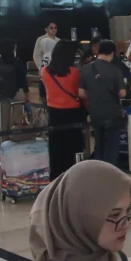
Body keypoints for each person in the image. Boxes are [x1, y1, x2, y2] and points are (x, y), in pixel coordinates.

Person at [41, 40, 85, 180]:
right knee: (73, 147)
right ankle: (73, 177)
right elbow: (80, 93)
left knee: (56, 149)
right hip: (73, 113)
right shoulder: (75, 73)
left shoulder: (45, 71)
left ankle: (56, 178)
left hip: (54, 113)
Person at [79, 40, 127, 167]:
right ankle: (109, 175)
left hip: (95, 113)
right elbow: (122, 93)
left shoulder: (86, 68)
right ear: (112, 53)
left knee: (99, 145)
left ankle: (98, 173)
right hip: (112, 112)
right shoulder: (115, 70)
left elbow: (81, 93)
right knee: (111, 148)